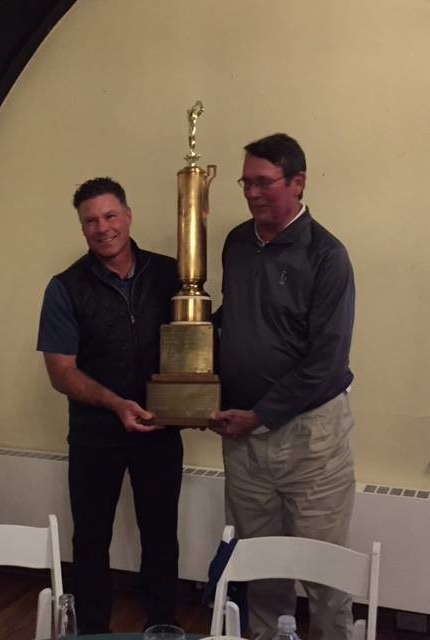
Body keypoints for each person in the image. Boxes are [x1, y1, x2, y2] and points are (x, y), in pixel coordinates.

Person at [212, 134, 356, 640]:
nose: (251, 193)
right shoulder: (237, 242)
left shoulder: (327, 255)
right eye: (245, 182)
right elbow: (236, 319)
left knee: (324, 572)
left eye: (263, 182)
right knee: (259, 566)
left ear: (297, 182)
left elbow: (327, 362)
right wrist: (189, 351)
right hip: (244, 439)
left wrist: (261, 415)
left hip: (310, 439)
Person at [36, 177, 183, 634]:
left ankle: (163, 628)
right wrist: (116, 403)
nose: (102, 228)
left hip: (160, 430)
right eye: (90, 221)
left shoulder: (170, 274)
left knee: (161, 537)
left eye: (109, 215)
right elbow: (61, 372)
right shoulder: (64, 287)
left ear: (128, 216)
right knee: (91, 541)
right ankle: (93, 632)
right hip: (94, 435)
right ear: (82, 228)